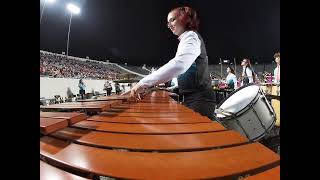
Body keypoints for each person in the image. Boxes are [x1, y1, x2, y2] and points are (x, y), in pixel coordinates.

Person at [124, 6, 216, 119]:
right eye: (168, 23)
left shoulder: (191, 36)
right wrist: (171, 88)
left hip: (200, 100)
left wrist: (142, 84)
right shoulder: (186, 39)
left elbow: (179, 65)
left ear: (186, 18)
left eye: (172, 20)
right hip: (192, 98)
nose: (169, 25)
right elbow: (186, 71)